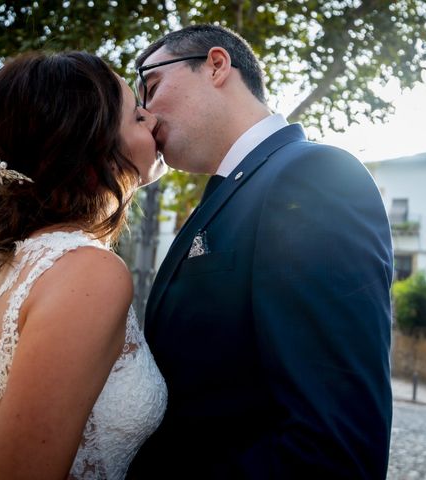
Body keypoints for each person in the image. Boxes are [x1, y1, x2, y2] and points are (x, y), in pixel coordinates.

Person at [129, 25, 394, 479]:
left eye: (150, 88)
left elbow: (335, 449)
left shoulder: (314, 175)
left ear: (216, 65)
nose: (146, 116)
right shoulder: (229, 195)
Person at [0, 51, 168, 480]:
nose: (151, 118)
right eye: (135, 116)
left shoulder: (31, 257)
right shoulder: (88, 271)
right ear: (94, 149)